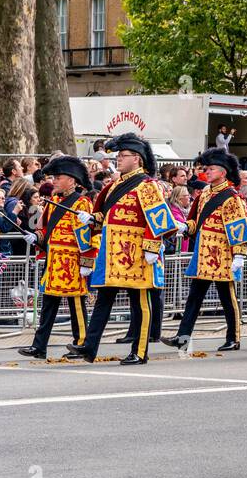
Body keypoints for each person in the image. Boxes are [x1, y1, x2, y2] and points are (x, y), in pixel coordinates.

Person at [71, 132, 177, 365]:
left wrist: (151, 246)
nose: (118, 159)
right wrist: (91, 218)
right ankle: (89, 347)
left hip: (136, 253)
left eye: (123, 155)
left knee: (139, 303)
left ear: (137, 158)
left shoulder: (147, 185)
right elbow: (106, 216)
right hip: (111, 254)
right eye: (118, 155)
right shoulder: (114, 185)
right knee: (102, 301)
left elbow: (158, 218)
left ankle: (139, 351)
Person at [164, 148, 247, 353]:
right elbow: (196, 219)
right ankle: (183, 337)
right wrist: (187, 227)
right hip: (203, 252)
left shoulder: (231, 197)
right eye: (207, 169)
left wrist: (239, 253)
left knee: (227, 298)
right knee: (194, 297)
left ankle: (234, 337)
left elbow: (238, 225)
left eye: (211, 169)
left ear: (223, 172)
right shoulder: (204, 193)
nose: (207, 172)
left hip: (222, 254)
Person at [19, 157, 97, 359]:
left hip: (73, 262)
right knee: (48, 306)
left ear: (71, 180)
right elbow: (47, 230)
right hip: (54, 262)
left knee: (77, 306)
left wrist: (87, 262)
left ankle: (81, 343)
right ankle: (39, 346)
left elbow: (90, 236)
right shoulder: (53, 202)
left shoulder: (82, 203)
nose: (54, 181)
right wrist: (35, 236)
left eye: (58, 177)